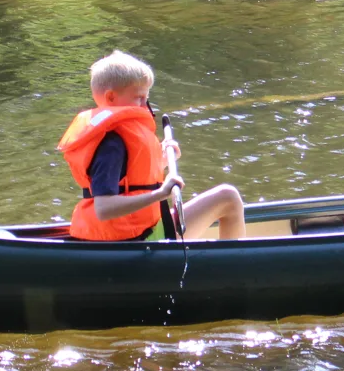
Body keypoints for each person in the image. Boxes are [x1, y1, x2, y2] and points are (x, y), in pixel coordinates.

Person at [58, 50, 245, 240]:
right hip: (137, 240)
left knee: (228, 197)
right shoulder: (112, 144)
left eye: (146, 98)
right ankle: (234, 266)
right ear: (111, 98)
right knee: (228, 198)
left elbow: (129, 182)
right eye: (139, 97)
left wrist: (161, 161)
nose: (144, 106)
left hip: (143, 231)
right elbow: (103, 209)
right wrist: (160, 193)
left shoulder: (115, 137)